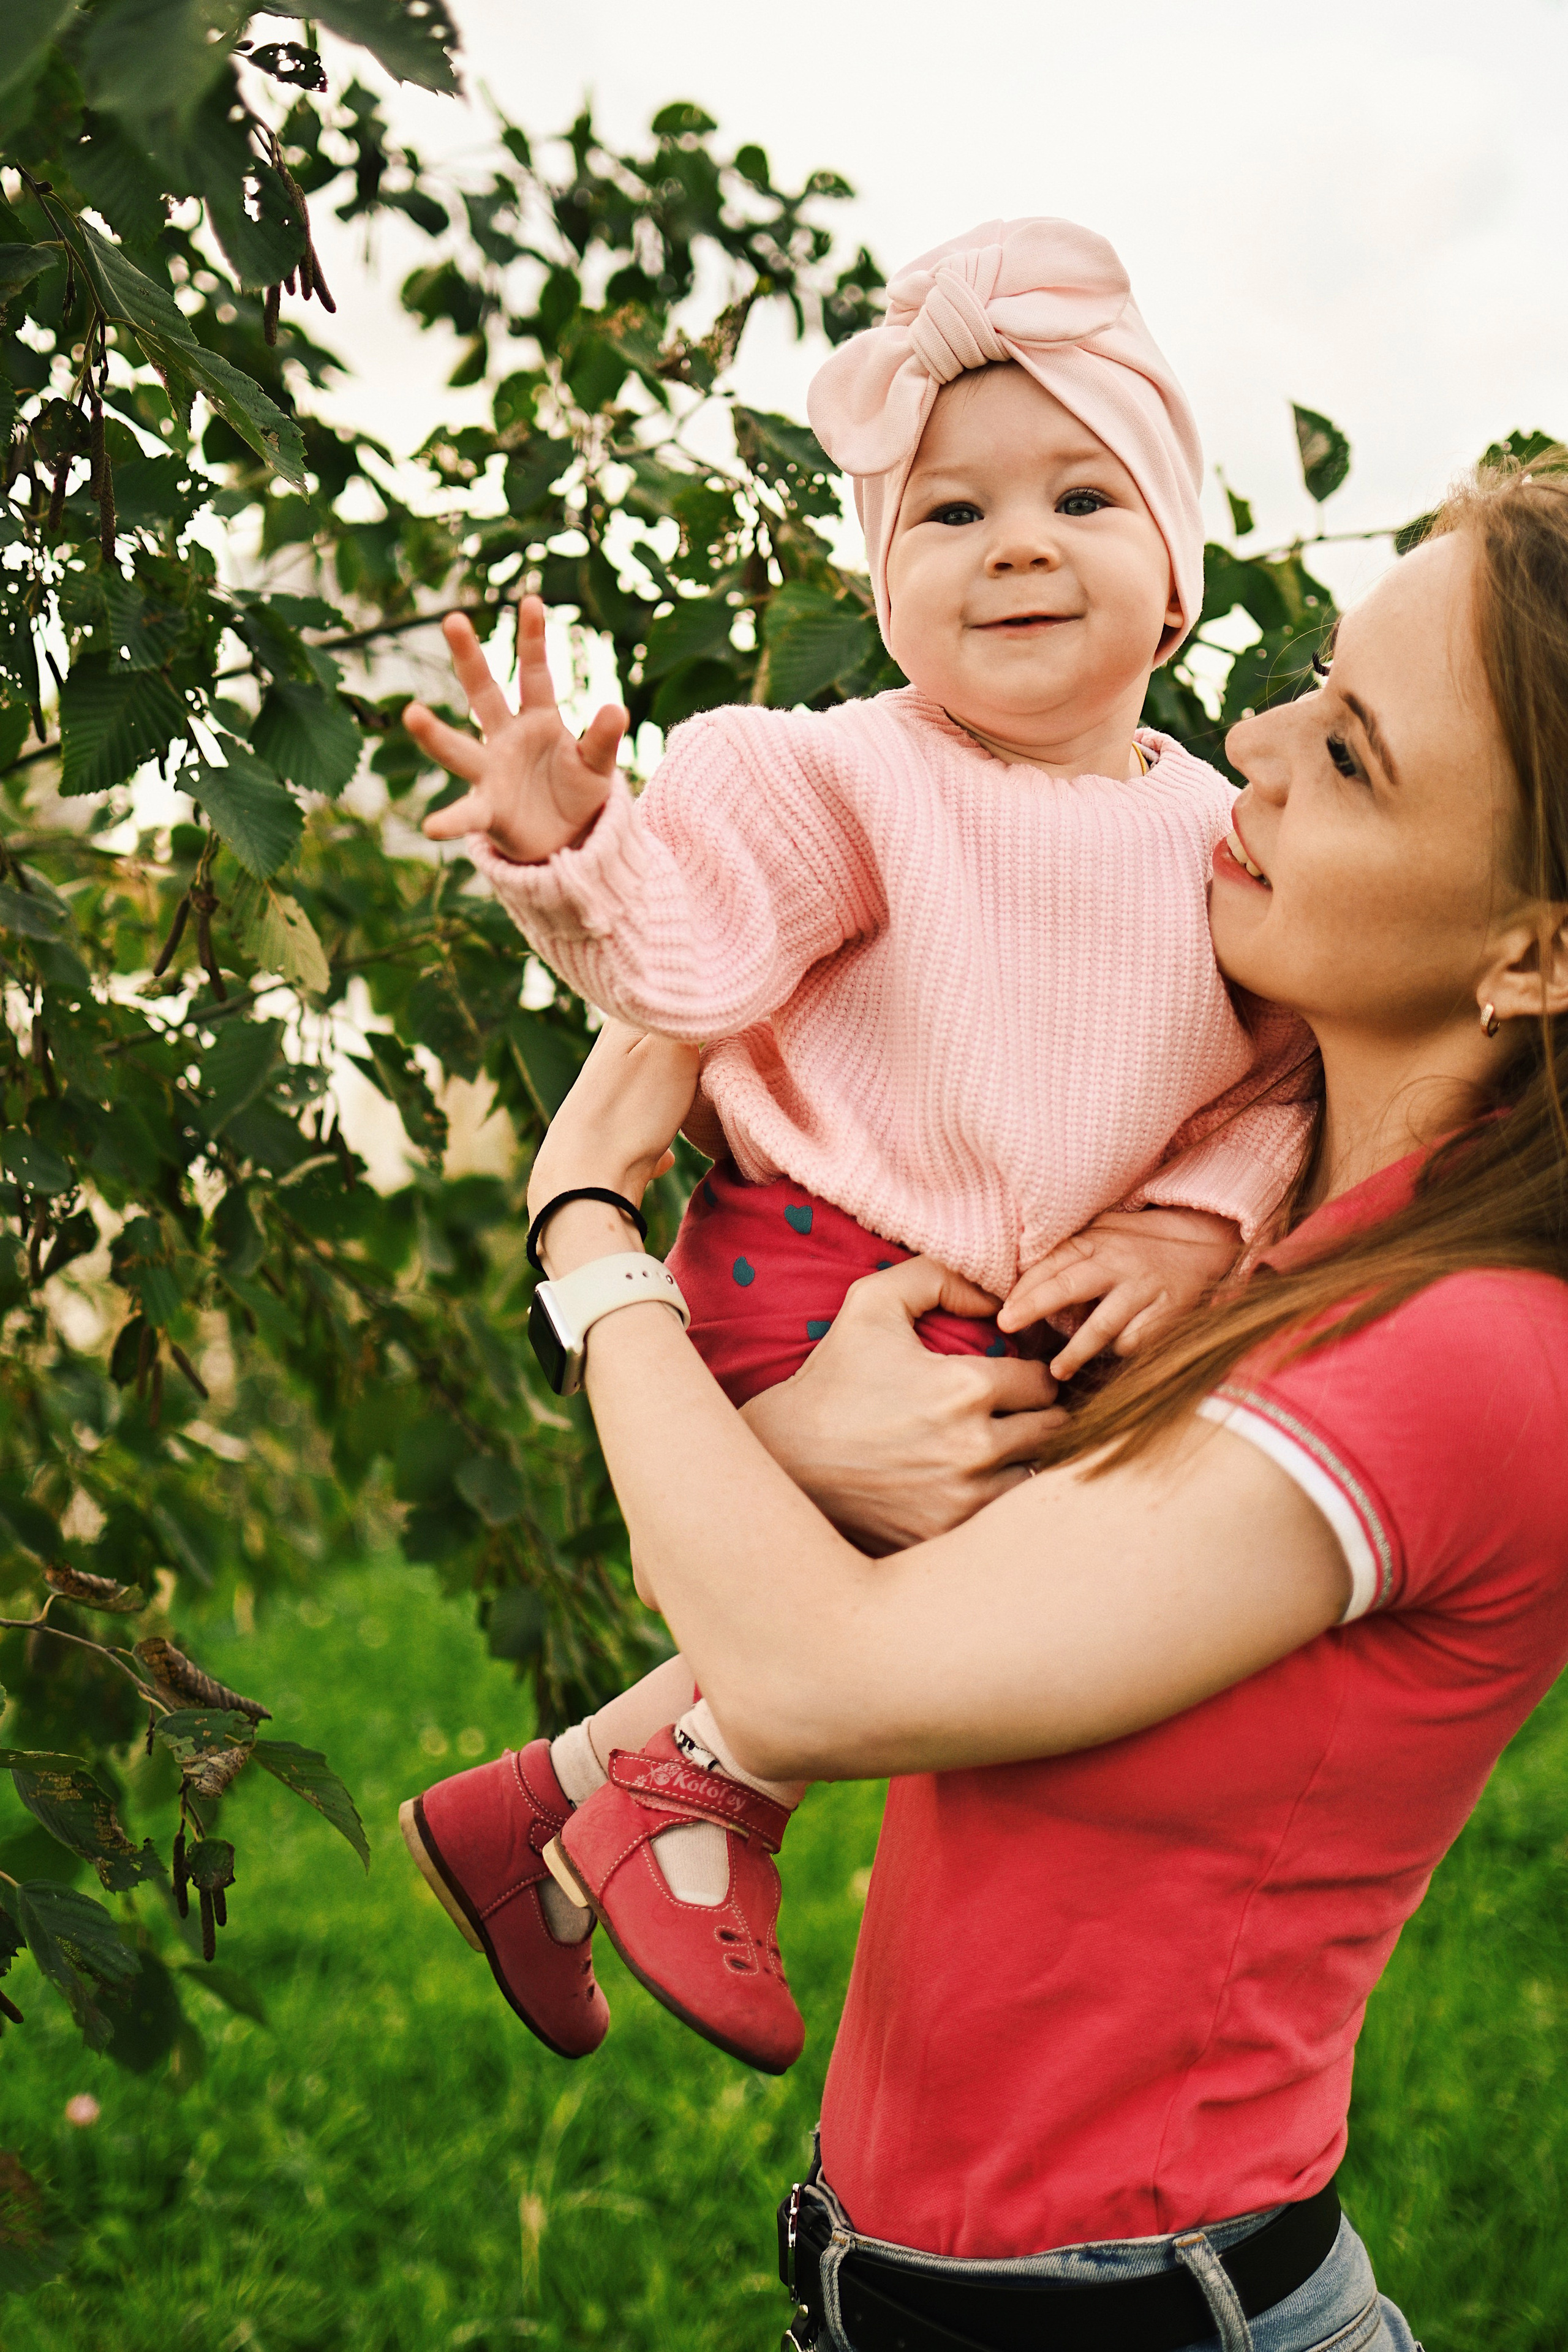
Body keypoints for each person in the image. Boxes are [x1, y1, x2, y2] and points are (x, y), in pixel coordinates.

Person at [484, 455, 1568, 2351]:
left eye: (1360, 755)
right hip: (917, 2288)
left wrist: (591, 1227)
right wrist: (792, 1442)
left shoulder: (1469, 1356)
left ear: (1535, 952)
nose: (1253, 732)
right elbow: (845, 1555)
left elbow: (825, 1675)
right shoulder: (1255, 1220)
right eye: (1310, 673)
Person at [398, 217, 1313, 2073]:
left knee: (1083, 1509)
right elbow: (692, 953)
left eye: (1081, 495)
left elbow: (1280, 1082)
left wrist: (1195, 1228)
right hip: (814, 1274)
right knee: (1065, 1561)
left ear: (1174, 583)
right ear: (883, 585)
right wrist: (579, 848)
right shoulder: (843, 777)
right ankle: (704, 1790)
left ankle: (544, 1806)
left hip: (1008, 1304)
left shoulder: (1225, 836)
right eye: (948, 517)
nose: (1018, 544)